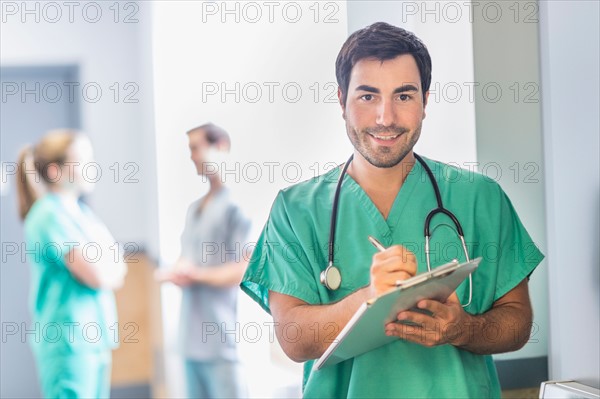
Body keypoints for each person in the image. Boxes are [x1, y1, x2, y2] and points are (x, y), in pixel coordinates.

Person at [240, 22, 544, 398]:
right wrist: (369, 297)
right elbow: (293, 339)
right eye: (367, 97)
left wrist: (462, 329)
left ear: (425, 102)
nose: (385, 117)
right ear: (341, 101)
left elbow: (518, 324)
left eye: (404, 96)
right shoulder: (296, 210)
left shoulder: (480, 197)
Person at [16, 130, 127, 398]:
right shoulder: (48, 215)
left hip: (94, 339)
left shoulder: (82, 214)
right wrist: (108, 266)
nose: (92, 167)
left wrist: (109, 267)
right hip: (67, 343)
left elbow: (119, 267)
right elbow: (98, 274)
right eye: (83, 161)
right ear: (55, 171)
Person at [155, 123, 251, 399]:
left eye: (195, 148)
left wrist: (195, 275)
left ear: (220, 147)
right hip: (190, 340)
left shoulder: (236, 206)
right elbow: (187, 259)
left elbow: (243, 269)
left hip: (222, 340)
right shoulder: (194, 209)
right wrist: (176, 272)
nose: (192, 157)